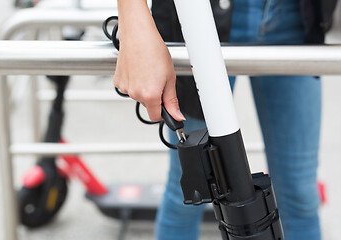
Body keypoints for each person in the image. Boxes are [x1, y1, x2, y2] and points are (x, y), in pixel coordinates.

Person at [114, 0, 337, 239]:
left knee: (300, 195)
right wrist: (133, 22)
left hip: (294, 18)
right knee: (190, 193)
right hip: (197, 16)